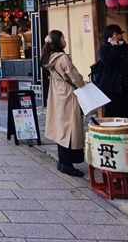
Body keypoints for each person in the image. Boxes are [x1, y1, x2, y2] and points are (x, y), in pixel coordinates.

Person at [41, 30, 85, 177]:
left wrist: (44, 45)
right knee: (70, 128)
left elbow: (41, 60)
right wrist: (83, 85)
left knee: (62, 128)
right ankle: (67, 163)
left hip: (57, 93)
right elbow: (75, 77)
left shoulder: (49, 57)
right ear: (58, 41)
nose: (65, 40)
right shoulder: (63, 58)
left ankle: (62, 161)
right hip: (68, 93)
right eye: (63, 38)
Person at [98, 24, 128, 119]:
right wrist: (114, 47)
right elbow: (108, 60)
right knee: (113, 116)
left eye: (119, 33)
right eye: (116, 34)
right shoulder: (104, 48)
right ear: (110, 36)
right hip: (112, 89)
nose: (119, 36)